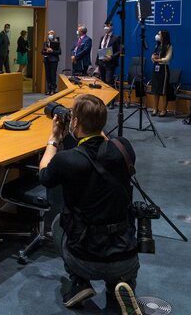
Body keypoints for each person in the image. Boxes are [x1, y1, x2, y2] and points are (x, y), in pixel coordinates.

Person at [39, 94, 138, 313]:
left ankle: (80, 283)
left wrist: (54, 138)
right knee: (120, 276)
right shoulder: (124, 148)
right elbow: (103, 143)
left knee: (57, 224)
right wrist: (91, 123)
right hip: (126, 255)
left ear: (75, 122)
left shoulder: (67, 160)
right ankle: (118, 290)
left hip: (86, 257)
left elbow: (44, 174)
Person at [150, 30, 174, 117]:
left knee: (163, 91)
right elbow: (153, 56)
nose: (157, 35)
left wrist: (159, 59)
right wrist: (153, 57)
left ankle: (164, 110)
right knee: (155, 90)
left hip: (164, 70)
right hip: (156, 69)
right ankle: (155, 109)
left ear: (164, 36)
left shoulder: (169, 46)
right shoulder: (157, 45)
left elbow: (167, 58)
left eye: (159, 34)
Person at [96, 22, 121, 86]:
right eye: (104, 26)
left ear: (111, 27)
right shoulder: (102, 37)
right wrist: (97, 63)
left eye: (107, 26)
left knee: (108, 81)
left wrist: (111, 57)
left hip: (110, 63)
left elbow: (120, 51)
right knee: (102, 81)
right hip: (101, 62)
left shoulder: (116, 38)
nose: (105, 28)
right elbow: (99, 49)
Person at [42, 30, 60, 95]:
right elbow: (42, 52)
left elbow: (59, 52)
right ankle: (48, 89)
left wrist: (52, 51)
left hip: (54, 60)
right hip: (46, 61)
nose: (50, 35)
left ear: (54, 35)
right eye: (49, 34)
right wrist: (47, 51)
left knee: (53, 75)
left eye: (51, 34)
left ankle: (53, 89)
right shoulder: (45, 43)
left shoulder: (57, 42)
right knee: (47, 75)